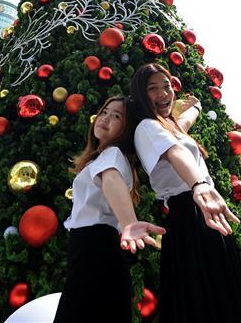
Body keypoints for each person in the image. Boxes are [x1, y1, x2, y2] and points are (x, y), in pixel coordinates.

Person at [130, 63, 241, 323]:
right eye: (153, 89)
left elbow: (186, 121)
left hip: (205, 210)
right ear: (142, 96)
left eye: (166, 86)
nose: (163, 93)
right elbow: (176, 153)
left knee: (223, 293)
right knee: (205, 300)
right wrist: (199, 185)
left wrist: (198, 105)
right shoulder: (146, 127)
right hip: (190, 213)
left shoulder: (171, 126)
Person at [53, 96, 166, 323]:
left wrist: (129, 222)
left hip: (94, 247)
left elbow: (111, 180)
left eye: (117, 116)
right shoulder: (104, 156)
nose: (105, 118)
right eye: (105, 112)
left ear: (127, 129)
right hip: (94, 248)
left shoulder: (112, 155)